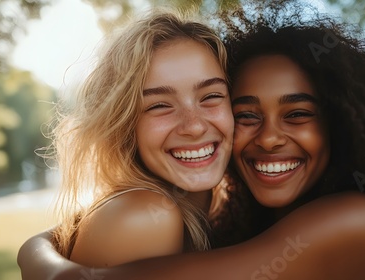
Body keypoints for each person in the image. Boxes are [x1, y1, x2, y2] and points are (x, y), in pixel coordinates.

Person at [18, 1, 365, 279]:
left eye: (298, 114)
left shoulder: (354, 220)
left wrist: (36, 256)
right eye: (247, 114)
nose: (269, 138)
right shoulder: (222, 215)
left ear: (341, 122)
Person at [35, 9, 234, 268]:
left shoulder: (223, 206)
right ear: (126, 125)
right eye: (159, 105)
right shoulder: (147, 216)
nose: (194, 126)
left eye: (211, 96)